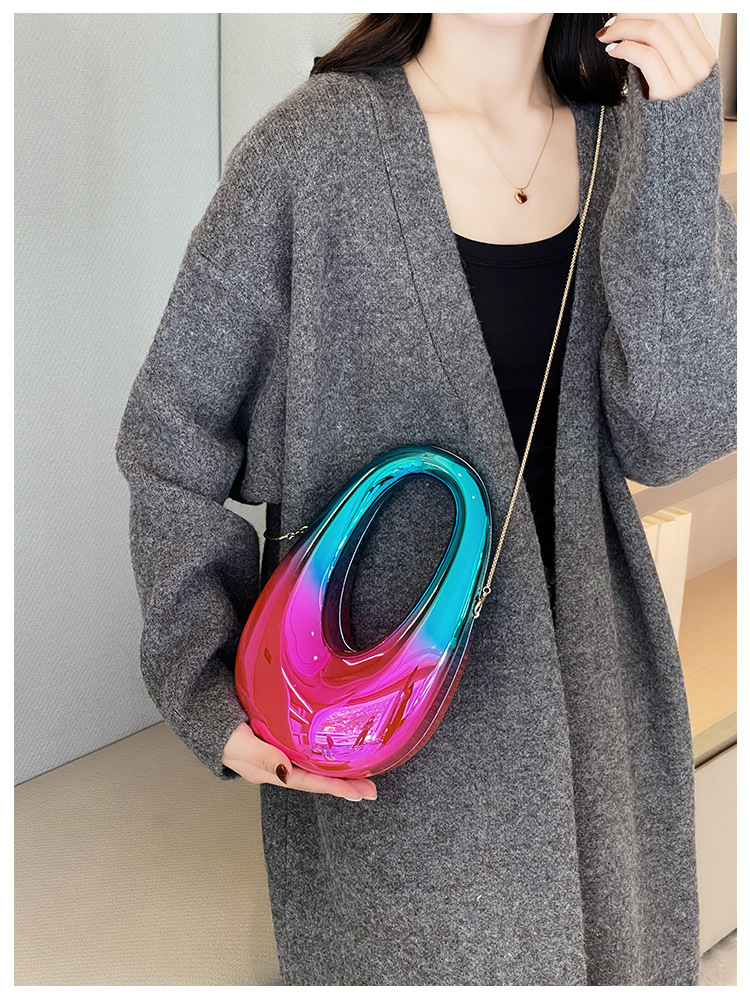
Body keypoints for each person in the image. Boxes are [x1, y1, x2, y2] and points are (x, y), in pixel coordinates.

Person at [115, 13, 736, 987]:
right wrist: (208, 688)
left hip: (601, 721)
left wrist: (680, 140)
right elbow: (171, 435)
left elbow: (678, 437)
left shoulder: (627, 143)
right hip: (392, 745)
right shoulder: (310, 153)